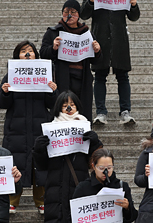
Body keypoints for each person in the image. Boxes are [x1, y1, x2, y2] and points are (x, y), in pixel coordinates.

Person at [0, 40, 57, 214]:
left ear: (36, 55)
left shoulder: (45, 74)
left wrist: (53, 91)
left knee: (40, 165)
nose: (27, 54)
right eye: (23, 51)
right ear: (17, 56)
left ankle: (41, 201)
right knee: (15, 165)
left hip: (39, 126)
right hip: (16, 129)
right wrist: (5, 92)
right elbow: (0, 102)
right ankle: (12, 201)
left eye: (30, 51)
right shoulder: (11, 75)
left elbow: (52, 104)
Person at [80, 0, 140, 125]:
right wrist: (90, 0)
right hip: (100, 39)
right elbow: (83, 15)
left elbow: (134, 17)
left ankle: (125, 111)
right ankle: (100, 112)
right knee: (99, 76)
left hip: (119, 40)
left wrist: (134, 5)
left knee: (123, 76)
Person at [32, 91, 103, 223]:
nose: (69, 109)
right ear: (59, 108)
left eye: (72, 105)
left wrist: (95, 143)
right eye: (65, 106)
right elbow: (41, 165)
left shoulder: (85, 127)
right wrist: (39, 149)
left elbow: (95, 162)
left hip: (79, 186)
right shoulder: (51, 130)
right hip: (55, 191)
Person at [40, 0, 102, 121]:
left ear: (78, 15)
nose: (69, 15)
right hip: (61, 78)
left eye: (73, 12)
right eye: (66, 12)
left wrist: (97, 51)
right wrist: (53, 48)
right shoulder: (53, 32)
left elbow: (97, 62)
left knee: (82, 112)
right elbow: (43, 54)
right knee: (61, 111)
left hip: (82, 80)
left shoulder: (87, 34)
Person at [72, 148, 138, 223]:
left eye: (109, 168)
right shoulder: (83, 188)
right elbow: (74, 215)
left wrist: (127, 207)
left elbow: (133, 217)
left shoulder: (122, 186)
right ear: (93, 166)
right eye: (101, 168)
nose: (105, 172)